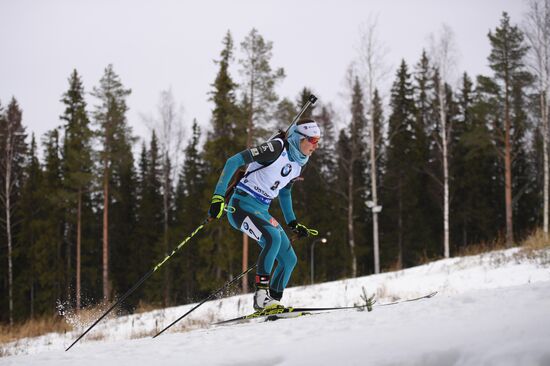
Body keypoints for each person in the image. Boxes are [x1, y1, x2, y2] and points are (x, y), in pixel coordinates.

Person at [208, 118, 321, 310]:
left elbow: (285, 192)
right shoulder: (276, 148)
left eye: (318, 141)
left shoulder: (300, 163)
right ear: (299, 138)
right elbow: (233, 161)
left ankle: (273, 302)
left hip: (261, 209)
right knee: (273, 238)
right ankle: (261, 298)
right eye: (312, 140)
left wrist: (293, 222)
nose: (315, 146)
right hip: (241, 206)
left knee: (289, 260)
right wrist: (217, 197)